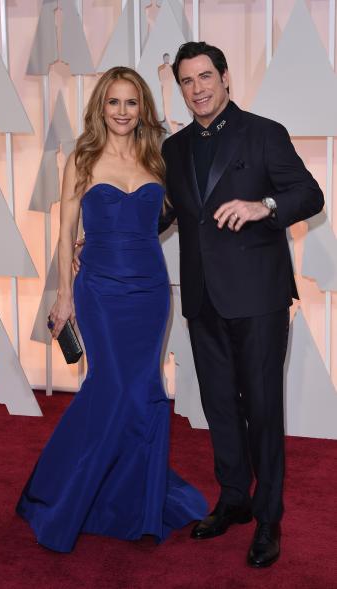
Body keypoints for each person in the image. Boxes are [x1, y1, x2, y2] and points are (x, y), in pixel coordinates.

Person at [16, 66, 207, 553]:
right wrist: (64, 294)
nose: (122, 112)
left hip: (149, 291)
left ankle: (133, 499)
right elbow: (63, 234)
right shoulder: (82, 158)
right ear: (101, 107)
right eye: (113, 102)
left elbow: (160, 218)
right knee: (110, 387)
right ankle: (65, 490)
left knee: (143, 390)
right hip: (99, 290)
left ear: (142, 108)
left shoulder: (156, 160)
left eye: (131, 102)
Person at [158, 41, 324, 568]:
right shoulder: (175, 149)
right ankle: (234, 498)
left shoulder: (264, 132)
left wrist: (264, 205)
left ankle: (269, 516)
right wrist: (106, 238)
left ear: (225, 78)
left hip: (258, 298)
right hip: (203, 298)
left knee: (263, 408)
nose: (198, 89)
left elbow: (310, 193)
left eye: (206, 76)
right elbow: (167, 214)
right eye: (187, 81)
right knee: (219, 407)